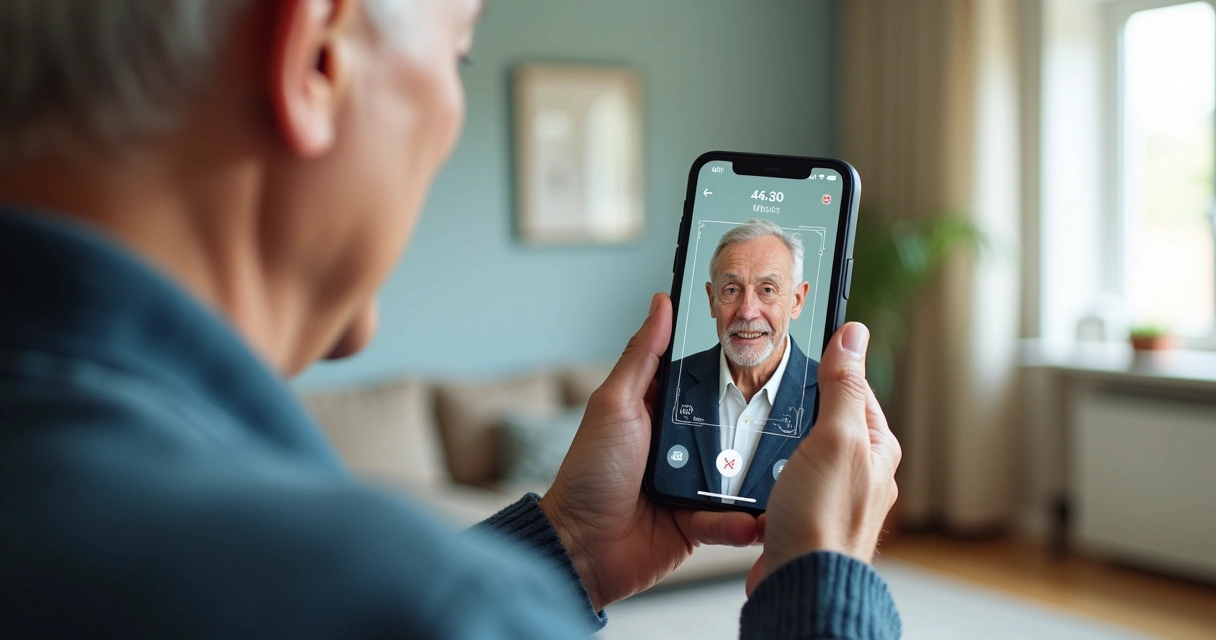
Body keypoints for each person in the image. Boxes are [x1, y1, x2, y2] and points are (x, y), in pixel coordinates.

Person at [0, 1, 903, 638]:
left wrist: (569, 546)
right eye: (459, 55)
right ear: (317, 59)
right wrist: (820, 585)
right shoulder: (410, 603)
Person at [658, 220, 817, 507]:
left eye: (767, 289)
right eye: (731, 290)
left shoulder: (832, 398)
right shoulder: (665, 385)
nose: (747, 311)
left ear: (796, 300)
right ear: (712, 299)